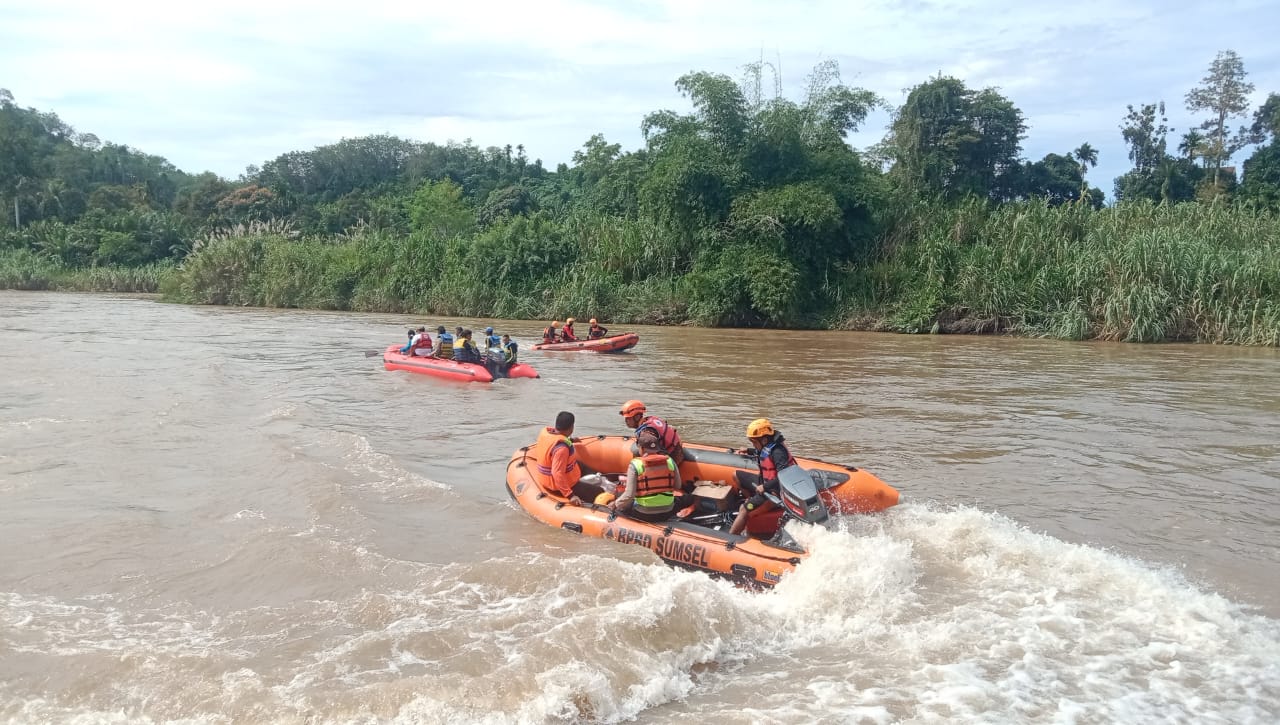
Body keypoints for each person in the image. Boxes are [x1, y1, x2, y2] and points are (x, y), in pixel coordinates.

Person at [729, 418, 798, 536]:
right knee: (736, 475)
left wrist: (765, 487)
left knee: (744, 510)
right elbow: (761, 452)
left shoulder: (778, 452)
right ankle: (754, 500)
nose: (753, 445)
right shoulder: (767, 445)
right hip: (764, 483)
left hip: (774, 491)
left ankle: (730, 538)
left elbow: (785, 476)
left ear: (764, 440)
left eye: (754, 443)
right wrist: (749, 450)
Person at [609, 428, 682, 522]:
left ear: (641, 448)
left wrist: (615, 504)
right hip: (667, 511)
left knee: (620, 498)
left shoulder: (635, 464)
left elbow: (629, 495)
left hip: (644, 513)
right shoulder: (670, 460)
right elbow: (677, 485)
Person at [535, 411, 606, 505]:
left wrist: (571, 440)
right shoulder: (561, 449)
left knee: (582, 466)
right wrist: (570, 495)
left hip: (548, 478)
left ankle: (603, 478)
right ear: (572, 427)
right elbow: (557, 473)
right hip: (558, 485)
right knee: (599, 492)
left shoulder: (548, 434)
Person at [619, 399, 685, 465]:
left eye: (628, 418)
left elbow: (653, 460)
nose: (626, 421)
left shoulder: (646, 436)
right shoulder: (651, 420)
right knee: (635, 448)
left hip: (673, 459)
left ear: (637, 417)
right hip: (676, 450)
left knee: (636, 452)